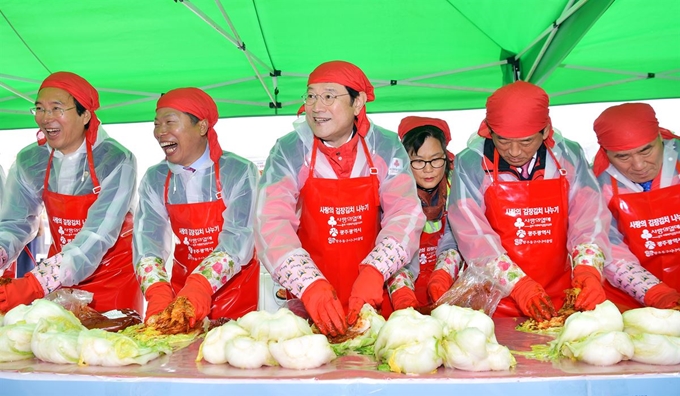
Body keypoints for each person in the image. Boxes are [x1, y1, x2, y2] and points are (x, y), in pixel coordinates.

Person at [255, 60, 425, 336]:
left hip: (372, 300)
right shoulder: (289, 150)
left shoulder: (384, 146)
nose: (317, 106)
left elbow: (405, 214)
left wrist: (375, 271)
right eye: (311, 96)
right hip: (309, 304)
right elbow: (270, 223)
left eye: (329, 96)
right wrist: (309, 285)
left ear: (357, 103)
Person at [440, 81, 610, 321]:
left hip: (563, 297)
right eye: (503, 140)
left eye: (526, 141)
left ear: (545, 131)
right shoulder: (471, 163)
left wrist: (588, 269)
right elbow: (472, 234)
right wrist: (518, 285)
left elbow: (589, 217)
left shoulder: (568, 157)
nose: (515, 152)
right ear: (489, 130)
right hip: (496, 302)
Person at [0, 71, 141, 313]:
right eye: (40, 109)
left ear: (84, 114)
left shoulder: (116, 159)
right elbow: (15, 223)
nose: (46, 118)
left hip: (114, 276)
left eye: (56, 109)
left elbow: (98, 234)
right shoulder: (30, 160)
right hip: (60, 274)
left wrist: (35, 283)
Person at [133, 87, 260, 326]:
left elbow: (238, 238)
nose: (161, 132)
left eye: (170, 122)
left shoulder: (239, 171)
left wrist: (200, 285)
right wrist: (158, 292)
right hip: (180, 294)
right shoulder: (156, 178)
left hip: (235, 297)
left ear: (201, 126)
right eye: (156, 124)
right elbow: (147, 242)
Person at [592, 103, 680, 310]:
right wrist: (654, 293)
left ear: (660, 137)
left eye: (646, 150)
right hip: (634, 300)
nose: (639, 165)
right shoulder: (597, 185)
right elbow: (607, 248)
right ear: (606, 153)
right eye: (623, 157)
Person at [386, 117, 463, 311]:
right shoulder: (391, 192)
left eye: (436, 160)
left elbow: (460, 237)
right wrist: (401, 292)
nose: (428, 170)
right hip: (399, 294)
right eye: (418, 161)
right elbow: (392, 245)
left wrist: (443, 274)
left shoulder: (456, 186)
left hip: (446, 294)